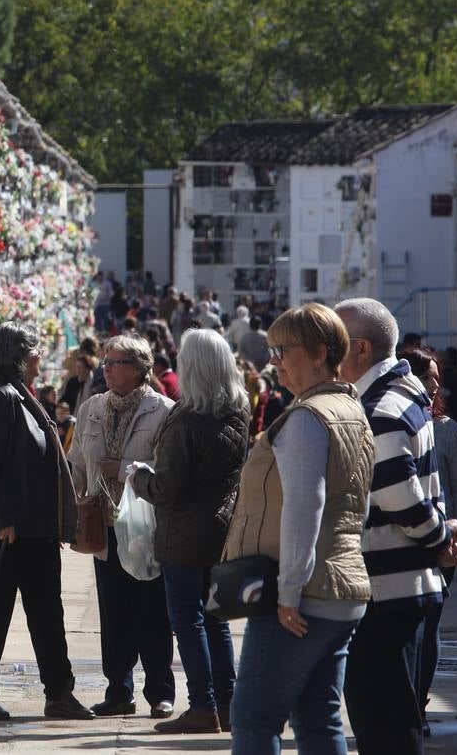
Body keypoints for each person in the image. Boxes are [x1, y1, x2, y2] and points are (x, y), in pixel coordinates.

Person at [226, 303, 375, 755]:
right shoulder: (350, 409)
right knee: (317, 716)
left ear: (317, 353)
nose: (275, 361)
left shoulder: (307, 418)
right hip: (342, 586)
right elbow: (355, 506)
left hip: (302, 595)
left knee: (253, 716)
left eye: (283, 350)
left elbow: (305, 508)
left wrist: (289, 589)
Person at [335, 298, 457, 755]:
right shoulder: (404, 391)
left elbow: (399, 498)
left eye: (335, 342)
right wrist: (440, 532)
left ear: (362, 348)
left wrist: (439, 534)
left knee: (384, 723)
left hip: (388, 592)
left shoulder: (382, 409)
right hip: (402, 586)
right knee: (393, 716)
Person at [0, 322, 93, 721]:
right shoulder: (0, 399)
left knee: (47, 614)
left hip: (35, 530)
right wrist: (1, 519)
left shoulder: (22, 396)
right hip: (9, 532)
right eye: (33, 351)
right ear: (18, 358)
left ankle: (59, 693)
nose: (40, 358)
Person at [129, 330, 249, 734]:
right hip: (219, 529)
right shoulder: (238, 414)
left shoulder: (186, 420)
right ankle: (228, 703)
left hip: (182, 533)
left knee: (188, 620)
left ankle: (202, 705)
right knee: (215, 619)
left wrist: (138, 479)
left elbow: (167, 488)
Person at [67, 335, 176, 718]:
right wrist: (75, 494)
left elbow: (167, 469)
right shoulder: (93, 407)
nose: (106, 369)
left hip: (144, 525)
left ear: (138, 367)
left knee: (151, 609)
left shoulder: (162, 411)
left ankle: (161, 691)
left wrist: (124, 467)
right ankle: (118, 690)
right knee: (113, 612)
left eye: (115, 362)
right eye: (105, 362)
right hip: (104, 524)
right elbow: (77, 459)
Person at [399, 346, 457, 737]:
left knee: (430, 628)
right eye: (427, 376)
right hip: (403, 546)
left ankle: (420, 702)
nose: (435, 385)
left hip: (445, 542)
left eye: (436, 377)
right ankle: (403, 701)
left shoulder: (448, 430)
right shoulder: (395, 421)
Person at [93, 273, 114, 338]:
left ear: (102, 276)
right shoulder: (95, 284)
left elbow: (111, 293)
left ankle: (106, 333)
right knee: (97, 319)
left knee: (106, 319)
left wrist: (107, 298)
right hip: (97, 304)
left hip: (106, 304)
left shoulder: (107, 283)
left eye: (100, 276)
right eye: (98, 277)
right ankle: (99, 333)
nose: (99, 278)